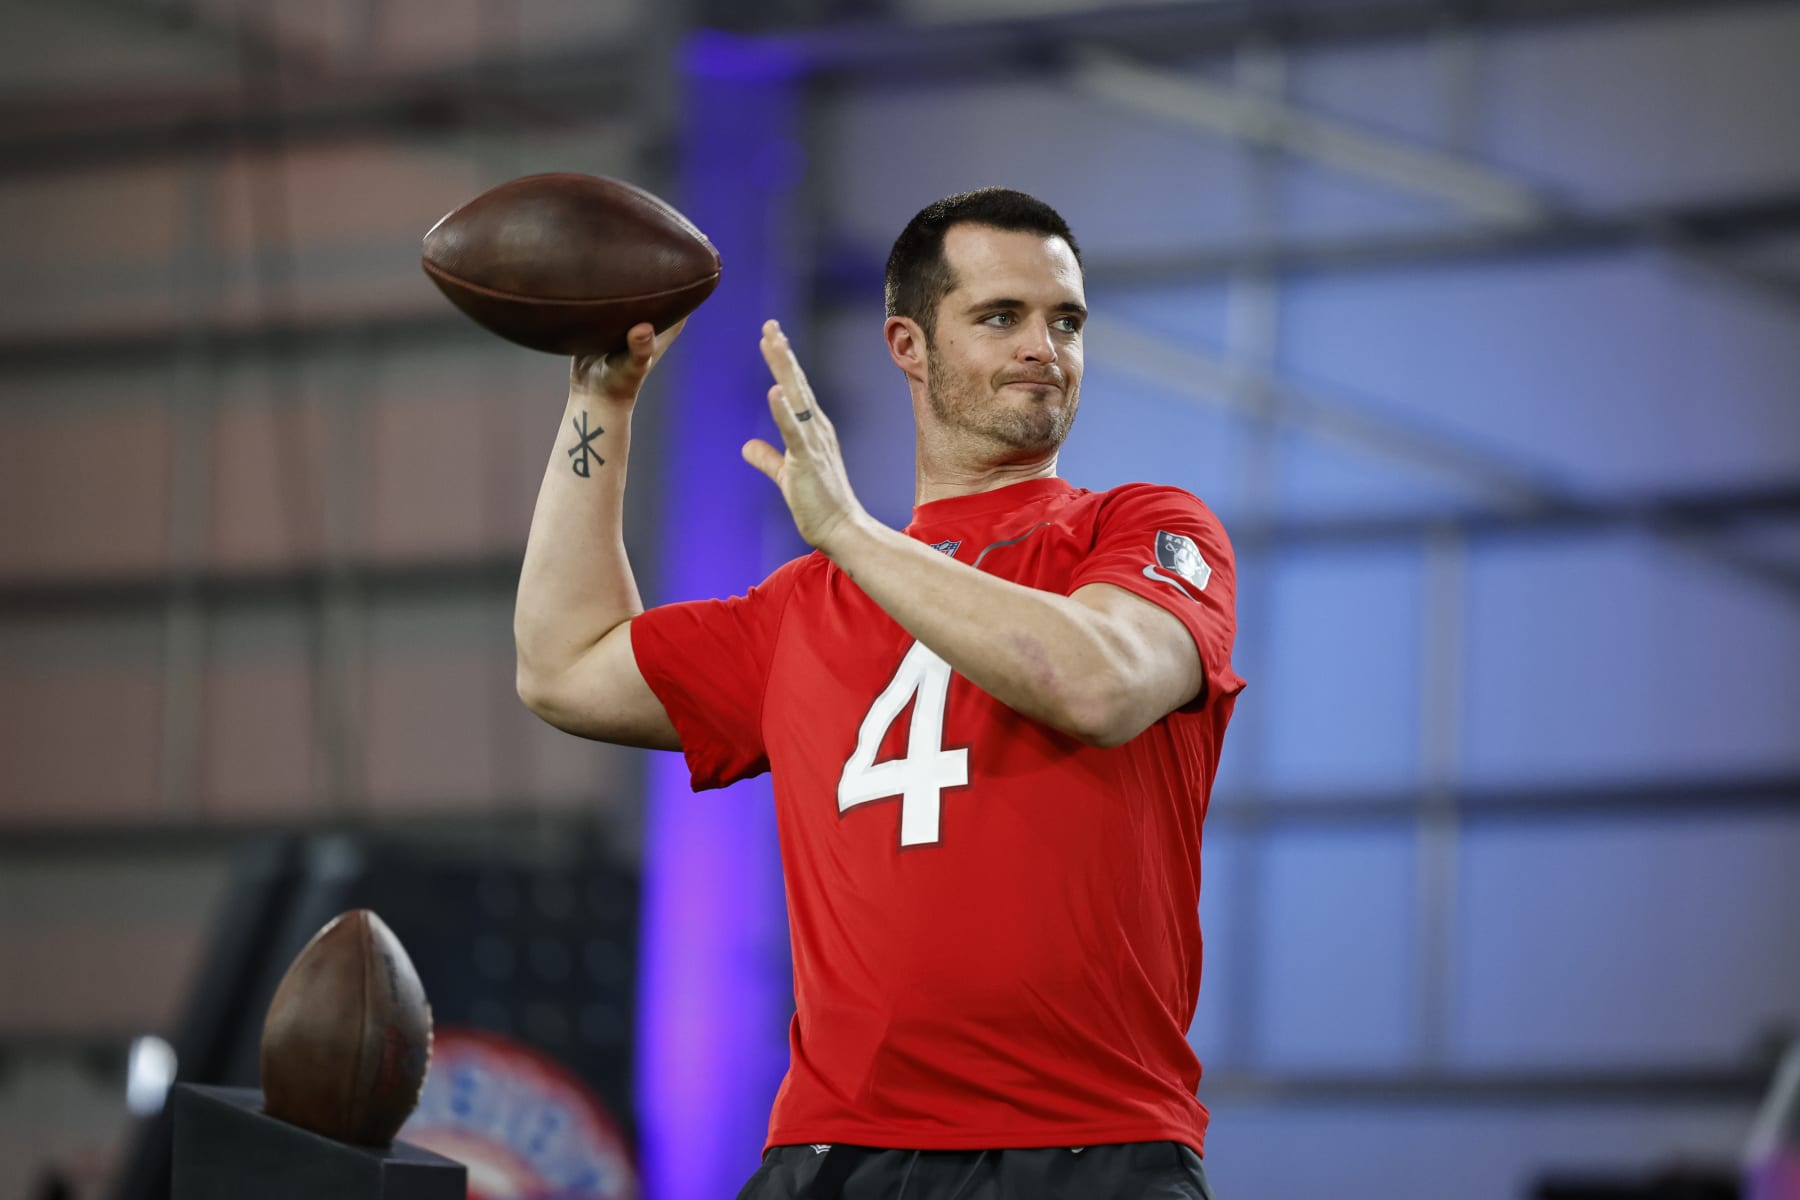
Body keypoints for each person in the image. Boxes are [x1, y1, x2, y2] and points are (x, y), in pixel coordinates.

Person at [514, 187, 1244, 1200]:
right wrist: (600, 404)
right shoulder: (803, 607)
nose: (1046, 347)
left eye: (1066, 321)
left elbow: (1099, 682)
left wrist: (854, 535)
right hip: (837, 1157)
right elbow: (564, 664)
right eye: (1002, 316)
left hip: (1086, 1149)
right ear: (909, 343)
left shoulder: (1142, 529)